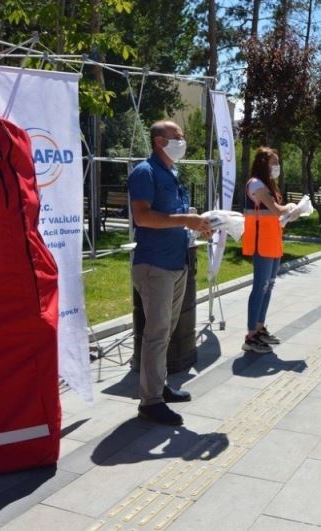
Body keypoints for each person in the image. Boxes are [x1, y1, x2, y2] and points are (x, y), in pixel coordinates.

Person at [129, 120, 212, 426]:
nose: (182, 140)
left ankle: (157, 385)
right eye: (177, 136)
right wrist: (186, 220)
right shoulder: (145, 172)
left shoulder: (171, 172)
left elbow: (176, 217)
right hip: (155, 266)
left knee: (165, 331)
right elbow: (143, 217)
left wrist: (197, 225)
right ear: (159, 141)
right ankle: (150, 402)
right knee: (157, 333)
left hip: (176, 264)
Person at [241, 147, 295, 353]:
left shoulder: (268, 185)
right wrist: (291, 207)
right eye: (274, 163)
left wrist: (290, 213)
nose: (277, 167)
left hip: (272, 242)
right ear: (264, 164)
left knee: (268, 286)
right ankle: (250, 336)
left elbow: (275, 215)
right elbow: (276, 210)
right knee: (260, 287)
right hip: (261, 243)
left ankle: (259, 327)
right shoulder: (256, 184)